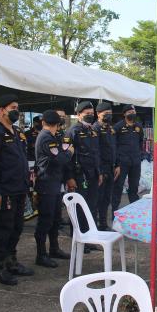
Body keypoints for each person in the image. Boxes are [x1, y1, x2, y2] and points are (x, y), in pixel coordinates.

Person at [0, 94, 34, 286]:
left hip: (19, 189)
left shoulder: (18, 132)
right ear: (2, 110)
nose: (16, 111)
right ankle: (0, 268)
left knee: (17, 227)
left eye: (17, 108)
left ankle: (12, 261)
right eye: (13, 107)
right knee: (3, 229)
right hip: (3, 192)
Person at [34, 110, 73, 268]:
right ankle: (41, 254)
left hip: (54, 183)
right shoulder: (46, 138)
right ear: (58, 124)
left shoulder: (51, 136)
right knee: (45, 220)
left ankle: (54, 248)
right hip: (47, 183)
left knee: (55, 219)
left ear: (43, 122)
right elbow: (59, 159)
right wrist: (69, 153)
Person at [65, 101, 102, 243]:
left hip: (92, 175)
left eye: (92, 113)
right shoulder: (72, 131)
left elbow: (96, 154)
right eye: (87, 113)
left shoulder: (92, 130)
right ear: (79, 114)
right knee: (79, 208)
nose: (90, 116)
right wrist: (69, 177)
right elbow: (67, 157)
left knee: (91, 207)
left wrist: (99, 173)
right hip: (79, 176)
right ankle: (79, 239)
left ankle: (89, 237)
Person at [112, 104, 143, 214]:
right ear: (124, 114)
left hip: (135, 162)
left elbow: (140, 142)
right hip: (122, 163)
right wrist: (116, 163)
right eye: (129, 112)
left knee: (134, 188)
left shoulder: (138, 126)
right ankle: (114, 212)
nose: (132, 114)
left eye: (133, 112)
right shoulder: (118, 127)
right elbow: (113, 145)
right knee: (118, 188)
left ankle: (135, 212)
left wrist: (139, 155)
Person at [93, 102, 119, 231]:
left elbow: (115, 148)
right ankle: (96, 225)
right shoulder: (95, 129)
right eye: (106, 113)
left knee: (107, 198)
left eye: (110, 113)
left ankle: (103, 224)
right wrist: (100, 171)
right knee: (99, 198)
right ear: (98, 114)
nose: (109, 115)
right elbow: (95, 152)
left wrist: (117, 165)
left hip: (111, 167)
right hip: (101, 169)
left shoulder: (111, 129)